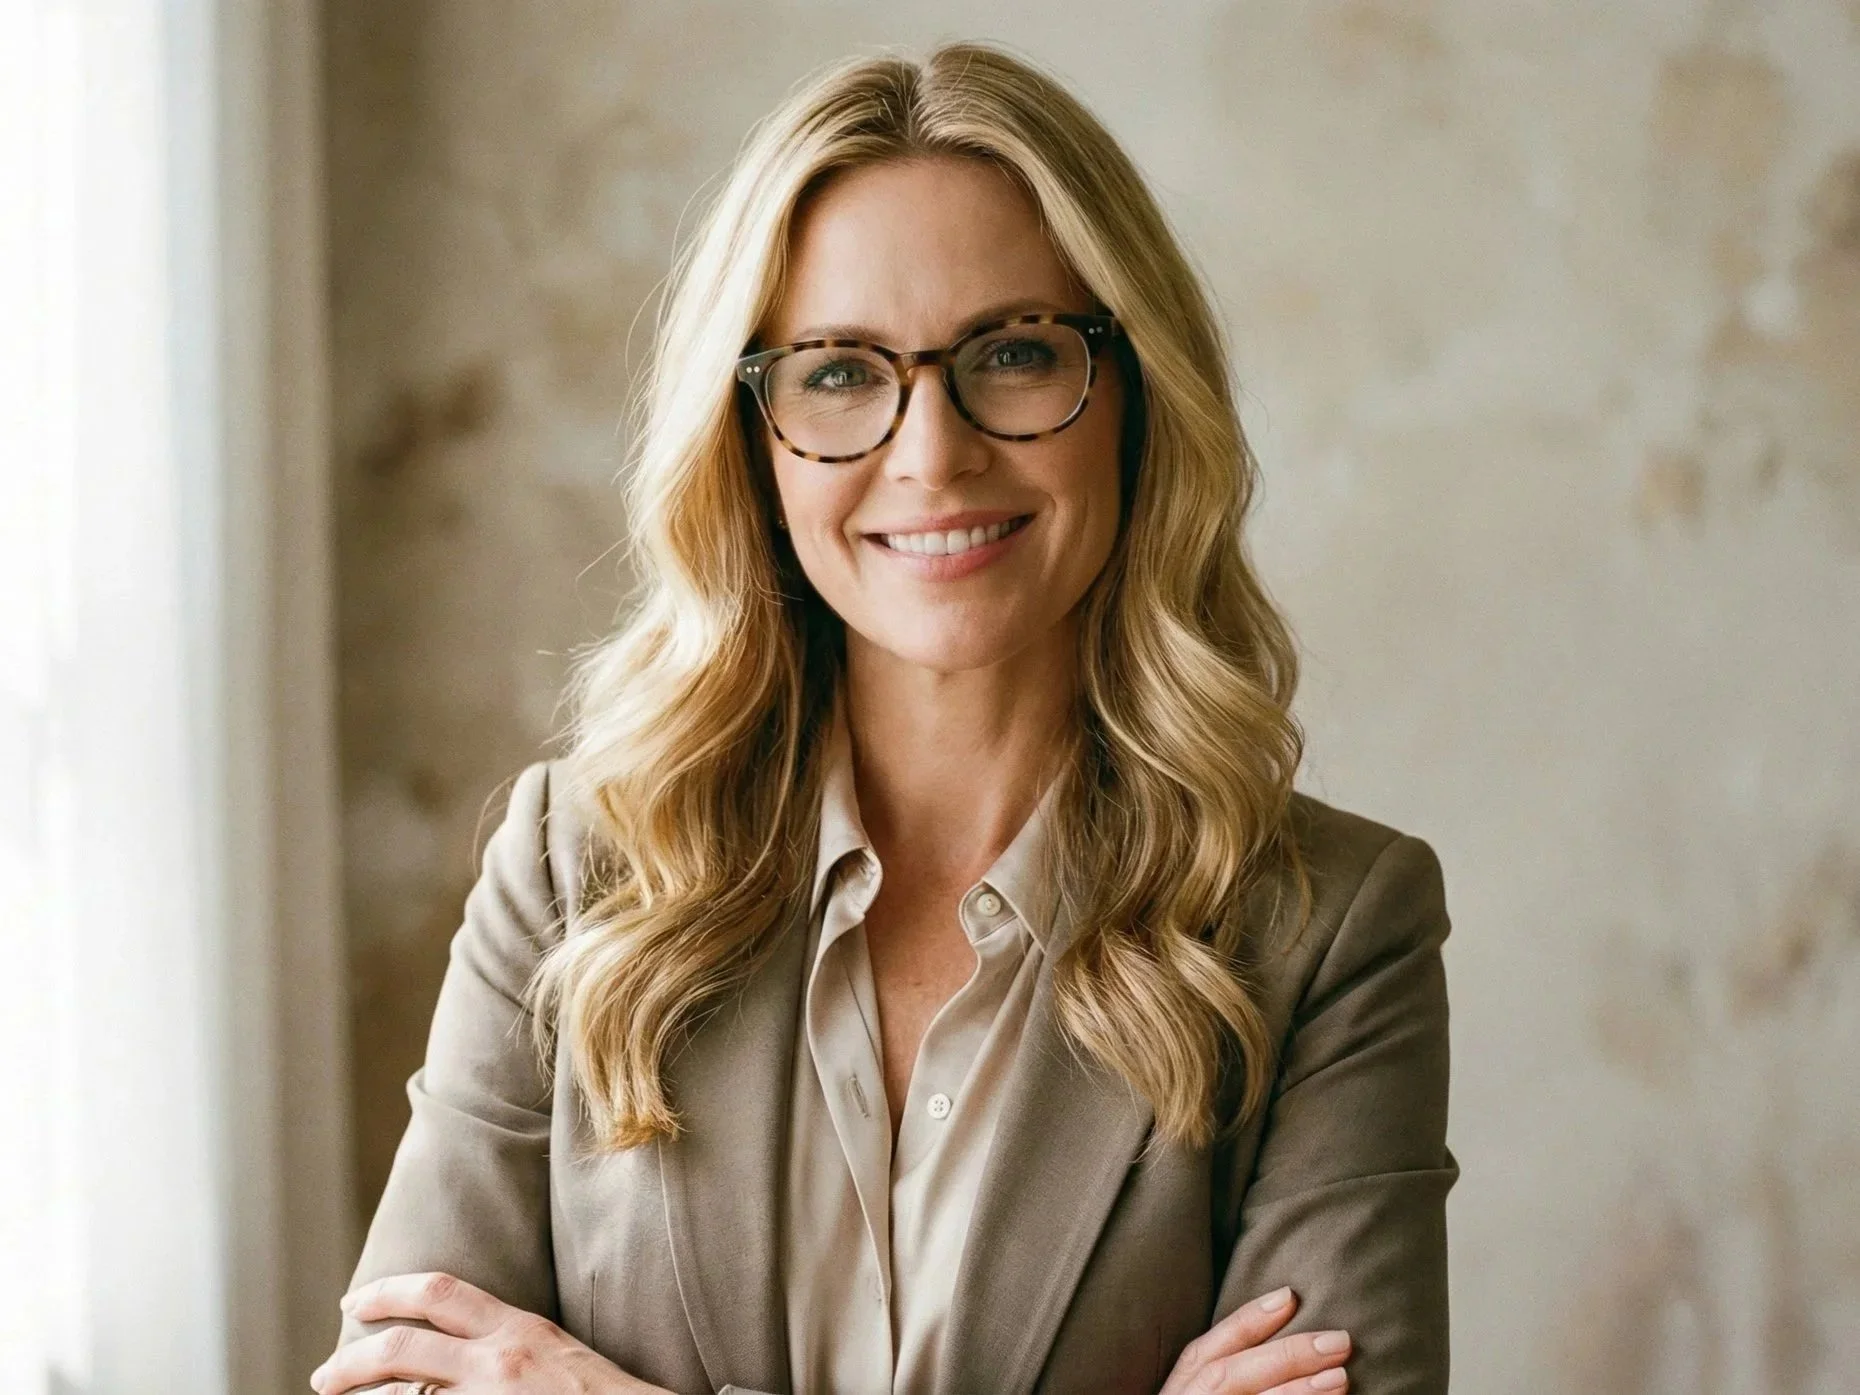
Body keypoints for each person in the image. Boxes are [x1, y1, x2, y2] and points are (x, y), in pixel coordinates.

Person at [311, 40, 1456, 1395]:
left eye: (1016, 352)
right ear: (752, 436)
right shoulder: (577, 868)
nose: (932, 452)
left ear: (1137, 398)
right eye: (841, 372)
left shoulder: (1327, 928)